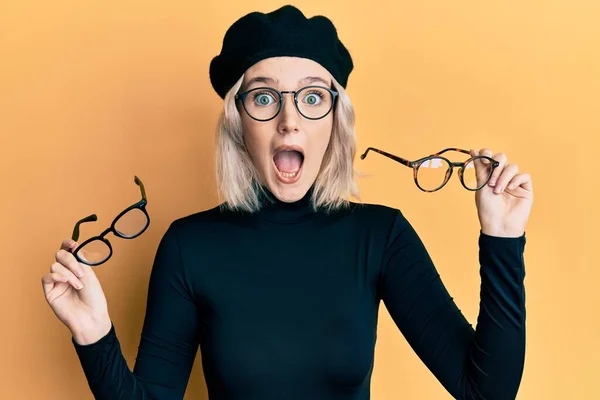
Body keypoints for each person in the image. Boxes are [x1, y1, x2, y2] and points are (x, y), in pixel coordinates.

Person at [41, 5, 533, 400]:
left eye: (312, 98)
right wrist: (94, 334)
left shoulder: (381, 238)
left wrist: (503, 239)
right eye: (264, 98)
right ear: (238, 123)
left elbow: (487, 390)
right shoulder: (189, 247)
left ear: (335, 121)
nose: (289, 121)